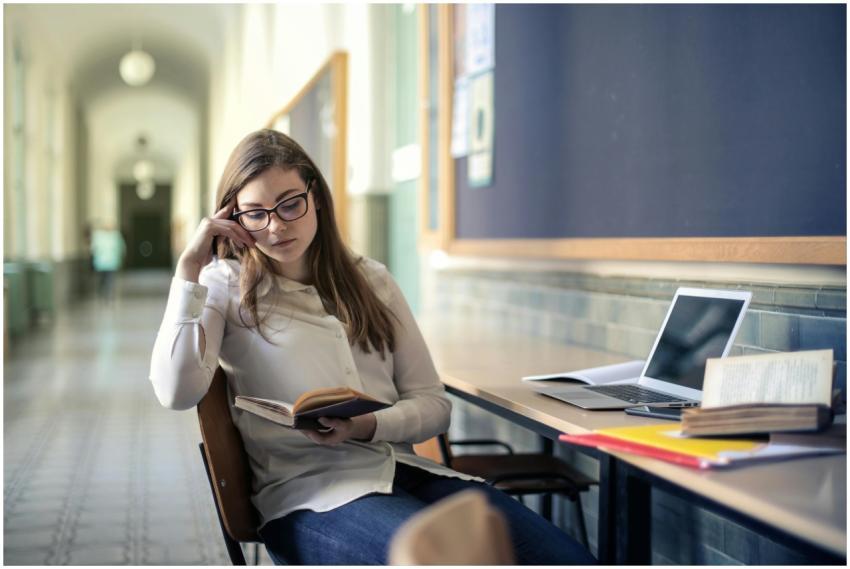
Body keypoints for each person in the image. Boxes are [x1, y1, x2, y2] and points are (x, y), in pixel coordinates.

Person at [149, 129, 595, 565]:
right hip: (310, 496)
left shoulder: (372, 280)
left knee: (569, 559)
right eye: (255, 214)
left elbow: (434, 407)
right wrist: (189, 270)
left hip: (405, 473)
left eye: (290, 204)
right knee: (447, 559)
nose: (277, 226)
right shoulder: (223, 285)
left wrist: (365, 426)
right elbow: (177, 392)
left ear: (316, 195)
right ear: (234, 219)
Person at [90, 222, 126, 302]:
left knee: (106, 279)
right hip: (109, 263)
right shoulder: (115, 236)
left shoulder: (100, 236)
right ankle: (106, 293)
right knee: (108, 279)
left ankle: (105, 293)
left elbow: (93, 249)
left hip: (103, 263)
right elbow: (122, 248)